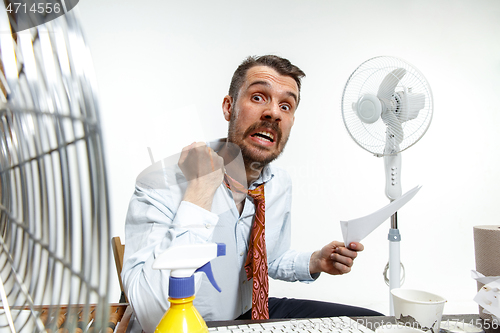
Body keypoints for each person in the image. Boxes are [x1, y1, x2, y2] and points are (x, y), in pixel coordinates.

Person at [122, 55, 382, 333]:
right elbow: (151, 313)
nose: (273, 113)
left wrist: (315, 261)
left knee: (372, 324)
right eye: (258, 97)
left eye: (286, 105)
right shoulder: (161, 182)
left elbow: (268, 258)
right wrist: (199, 193)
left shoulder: (278, 183)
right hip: (188, 324)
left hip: (252, 314)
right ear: (228, 106)